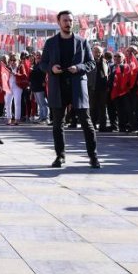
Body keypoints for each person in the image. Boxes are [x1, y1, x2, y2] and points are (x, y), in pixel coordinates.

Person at [39, 10, 101, 169]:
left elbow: (91, 63)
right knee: (57, 123)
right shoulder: (51, 42)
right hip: (57, 86)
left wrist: (79, 67)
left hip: (77, 85)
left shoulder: (82, 41)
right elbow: (42, 64)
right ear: (59, 23)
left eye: (71, 21)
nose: (68, 23)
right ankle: (60, 156)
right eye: (65, 20)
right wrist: (51, 69)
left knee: (86, 123)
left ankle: (93, 156)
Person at [88, 45, 111, 130]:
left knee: (102, 108)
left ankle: (103, 126)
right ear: (92, 52)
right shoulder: (88, 61)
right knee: (92, 108)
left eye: (99, 52)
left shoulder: (105, 61)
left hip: (103, 88)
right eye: (96, 52)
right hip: (92, 88)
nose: (98, 54)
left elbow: (108, 73)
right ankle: (92, 125)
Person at [29, 51, 49, 124]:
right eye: (37, 55)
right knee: (39, 103)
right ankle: (41, 117)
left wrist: (33, 71)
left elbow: (43, 75)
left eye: (39, 55)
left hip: (40, 86)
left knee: (43, 103)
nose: (37, 57)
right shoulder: (35, 65)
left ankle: (45, 117)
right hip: (35, 87)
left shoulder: (42, 64)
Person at [4, 53, 22, 125]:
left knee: (17, 102)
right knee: (7, 103)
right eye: (11, 60)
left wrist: (16, 74)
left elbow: (24, 75)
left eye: (14, 60)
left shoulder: (20, 67)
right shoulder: (7, 67)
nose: (13, 62)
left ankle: (17, 119)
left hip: (17, 86)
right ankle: (9, 118)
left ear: (17, 60)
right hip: (9, 86)